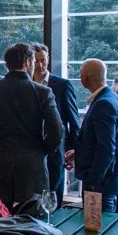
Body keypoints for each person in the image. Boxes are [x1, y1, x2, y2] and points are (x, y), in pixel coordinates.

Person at [0, 43, 63, 207]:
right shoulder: (42, 92)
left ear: (7, 64)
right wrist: (42, 150)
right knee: (32, 220)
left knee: (1, 217)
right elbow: (56, 130)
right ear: (28, 62)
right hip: (33, 165)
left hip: (2, 163)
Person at [66, 59, 118, 213]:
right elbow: (103, 142)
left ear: (84, 78)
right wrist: (80, 154)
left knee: (97, 230)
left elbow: (107, 149)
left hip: (101, 184)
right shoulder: (113, 98)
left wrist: (93, 182)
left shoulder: (103, 104)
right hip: (109, 180)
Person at [32, 44, 80, 207]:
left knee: (54, 192)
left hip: (56, 150)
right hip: (33, 149)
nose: (40, 65)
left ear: (48, 60)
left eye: (43, 60)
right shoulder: (26, 85)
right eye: (36, 61)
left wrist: (73, 150)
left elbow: (73, 121)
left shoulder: (62, 85)